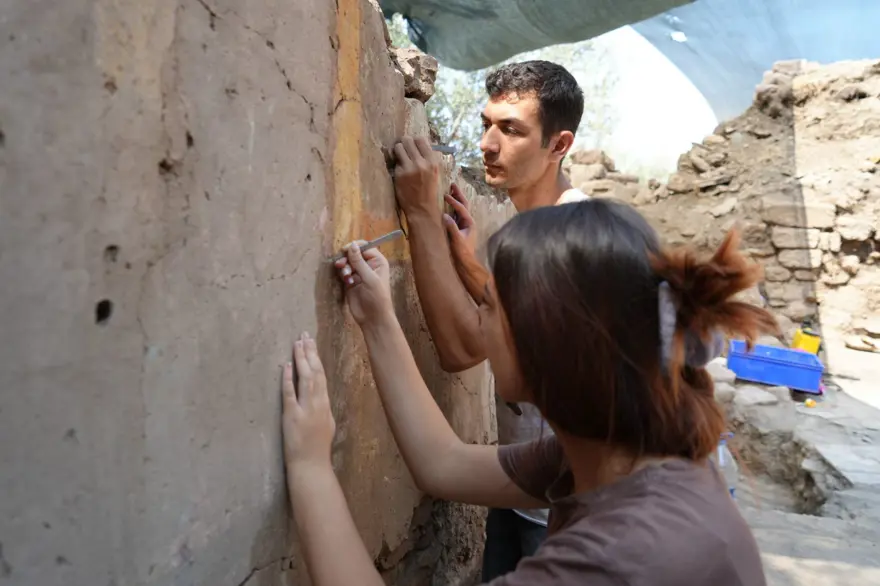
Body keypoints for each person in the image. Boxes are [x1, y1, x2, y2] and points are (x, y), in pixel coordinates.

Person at [282, 198, 778, 585]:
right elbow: (444, 464)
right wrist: (377, 318)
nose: (478, 317)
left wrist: (309, 468)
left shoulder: (622, 558)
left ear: (545, 341)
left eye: (490, 304)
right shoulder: (611, 454)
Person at [391, 60, 586, 578]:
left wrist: (421, 218)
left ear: (558, 145)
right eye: (486, 124)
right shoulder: (543, 226)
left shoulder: (567, 238)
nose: (486, 144)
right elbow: (526, 316)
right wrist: (473, 264)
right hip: (526, 485)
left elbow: (462, 349)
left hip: (555, 511)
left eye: (512, 130)